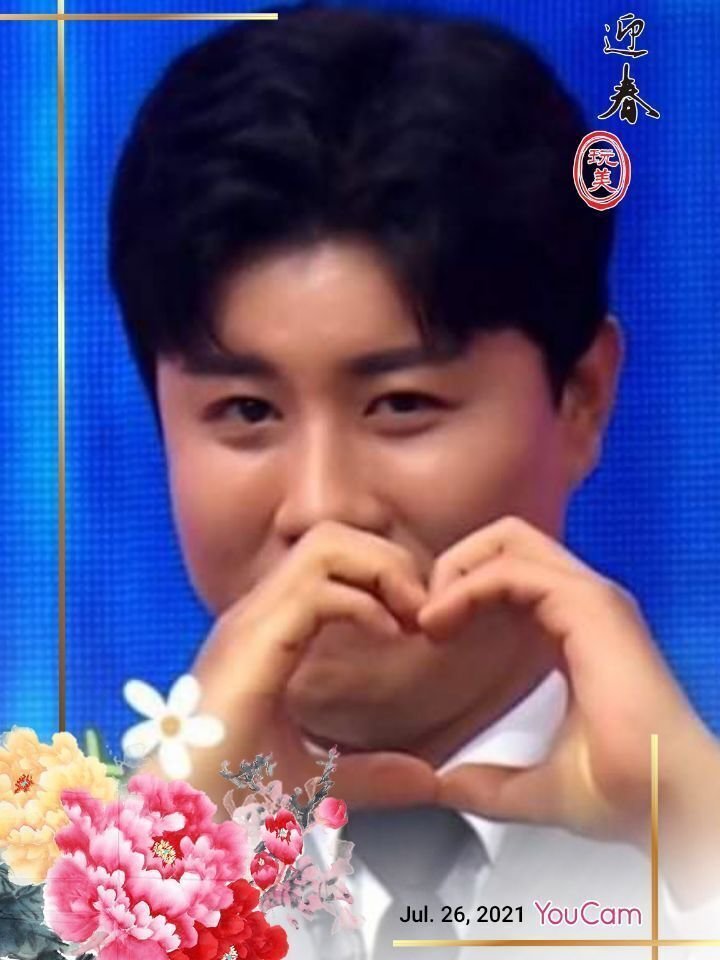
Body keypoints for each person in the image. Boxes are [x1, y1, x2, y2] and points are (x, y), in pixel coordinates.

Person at [107, 4, 720, 957]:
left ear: (583, 399)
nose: (322, 507)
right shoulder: (44, 888)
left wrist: (699, 842)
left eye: (401, 404)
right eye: (247, 411)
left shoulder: (695, 834)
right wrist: (156, 875)